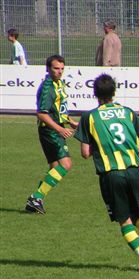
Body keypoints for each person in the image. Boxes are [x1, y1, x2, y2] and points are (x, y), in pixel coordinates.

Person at [74, 74, 139, 272]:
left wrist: (91, 138)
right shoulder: (128, 112)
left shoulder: (89, 117)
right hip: (135, 172)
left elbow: (85, 154)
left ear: (95, 94)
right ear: (114, 92)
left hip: (111, 175)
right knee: (138, 215)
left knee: (124, 221)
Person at [25, 55, 77, 214]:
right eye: (56, 68)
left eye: (62, 68)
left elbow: (56, 109)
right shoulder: (47, 87)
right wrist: (60, 129)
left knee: (55, 168)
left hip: (54, 128)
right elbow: (42, 114)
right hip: (50, 131)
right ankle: (36, 197)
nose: (59, 71)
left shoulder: (59, 83)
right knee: (65, 165)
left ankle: (35, 201)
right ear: (48, 69)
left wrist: (69, 120)